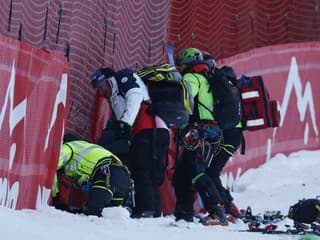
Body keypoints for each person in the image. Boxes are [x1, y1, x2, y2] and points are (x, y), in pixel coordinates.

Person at [173, 47, 242, 225]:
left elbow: (186, 97)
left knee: (197, 171)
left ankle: (216, 212)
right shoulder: (207, 77)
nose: (179, 69)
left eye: (179, 66)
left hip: (200, 130)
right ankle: (184, 213)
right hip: (211, 130)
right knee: (183, 173)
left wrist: (183, 119)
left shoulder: (192, 77)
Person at [91, 67, 170, 218]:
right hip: (156, 130)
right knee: (150, 172)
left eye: (100, 86)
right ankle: (154, 211)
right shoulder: (114, 97)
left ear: (107, 80)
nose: (100, 91)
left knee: (142, 170)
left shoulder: (123, 77)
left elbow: (135, 95)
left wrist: (126, 123)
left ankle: (145, 209)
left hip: (149, 128)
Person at [51, 135, 131, 217]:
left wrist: (55, 197)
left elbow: (51, 167)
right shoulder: (89, 148)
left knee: (93, 213)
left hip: (106, 173)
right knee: (110, 215)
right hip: (123, 175)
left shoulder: (69, 147)